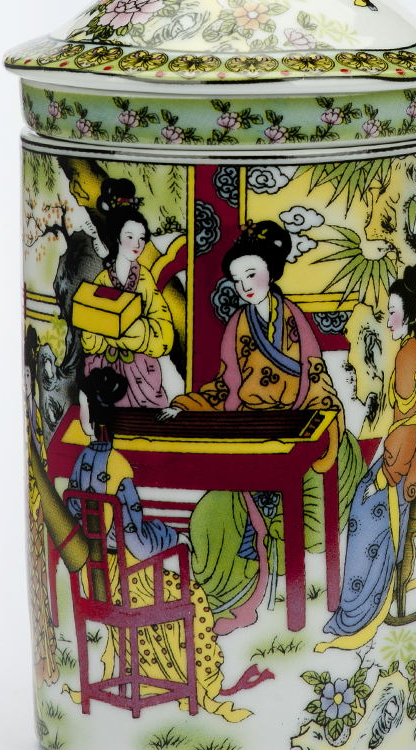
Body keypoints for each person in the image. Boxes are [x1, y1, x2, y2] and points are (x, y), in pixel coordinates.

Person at [166, 221, 366, 632]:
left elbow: (316, 378)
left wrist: (320, 422)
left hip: (297, 429)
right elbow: (225, 387)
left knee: (315, 484)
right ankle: (228, 602)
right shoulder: (237, 327)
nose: (244, 286)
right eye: (237, 280)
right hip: (249, 435)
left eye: (251, 274)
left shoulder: (294, 321)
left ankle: (297, 596)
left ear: (271, 272)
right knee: (211, 514)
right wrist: (185, 407)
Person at [63, 367, 252, 722]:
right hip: (128, 581)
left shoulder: (82, 462)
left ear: (93, 417)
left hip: (94, 578)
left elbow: (75, 512)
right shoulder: (117, 467)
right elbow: (137, 541)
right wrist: (173, 537)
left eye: (83, 407)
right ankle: (196, 687)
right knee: (193, 597)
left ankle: (142, 682)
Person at [318, 264, 416, 649]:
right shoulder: (412, 348)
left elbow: (405, 427)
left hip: (407, 462)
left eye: (392, 312)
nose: (388, 319)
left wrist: (385, 477)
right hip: (409, 449)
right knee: (360, 496)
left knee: (363, 510)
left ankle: (357, 611)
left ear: (407, 315)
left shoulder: (408, 356)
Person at [81, 178, 174, 408]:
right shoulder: (103, 280)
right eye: (130, 236)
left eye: (142, 238)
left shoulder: (145, 280)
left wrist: (135, 331)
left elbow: (164, 330)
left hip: (141, 369)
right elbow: (90, 331)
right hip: (106, 366)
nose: (137, 245)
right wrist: (97, 330)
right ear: (117, 236)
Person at [24, 325, 58, 685]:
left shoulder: (37, 412)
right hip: (37, 513)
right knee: (39, 587)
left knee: (41, 588)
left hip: (38, 510)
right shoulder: (31, 411)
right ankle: (44, 665)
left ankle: (47, 661)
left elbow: (42, 461)